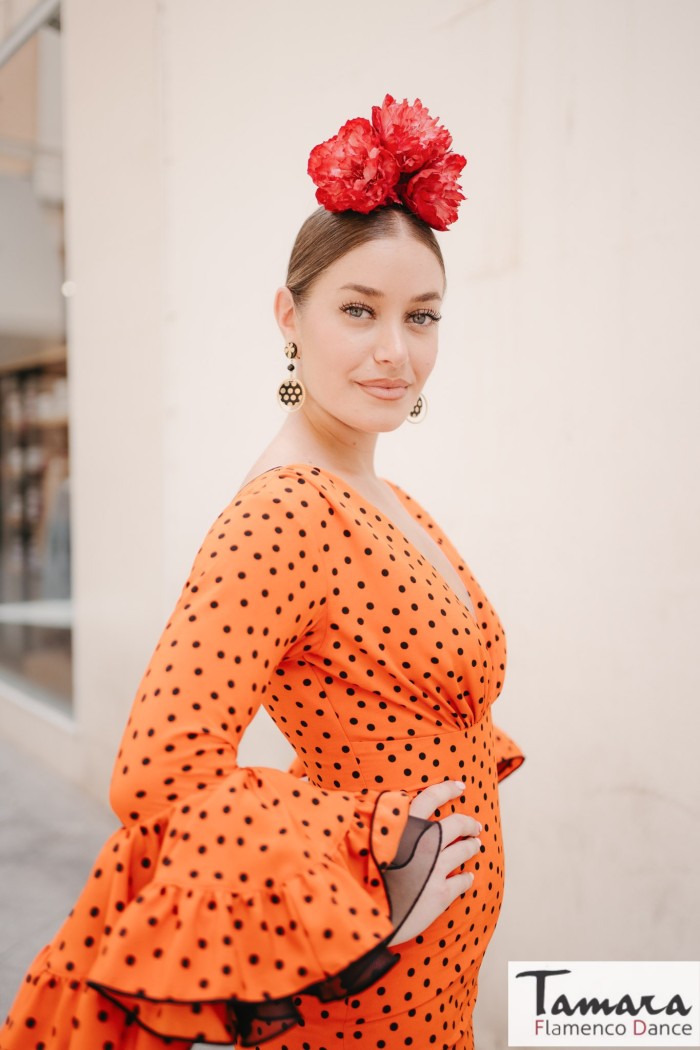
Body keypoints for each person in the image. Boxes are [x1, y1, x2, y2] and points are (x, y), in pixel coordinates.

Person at [0, 95, 523, 1050]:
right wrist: (371, 873)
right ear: (290, 315)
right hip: (367, 986)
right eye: (358, 310)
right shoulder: (286, 509)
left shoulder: (388, 498)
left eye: (423, 316)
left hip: (442, 971)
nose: (395, 352)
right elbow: (161, 778)